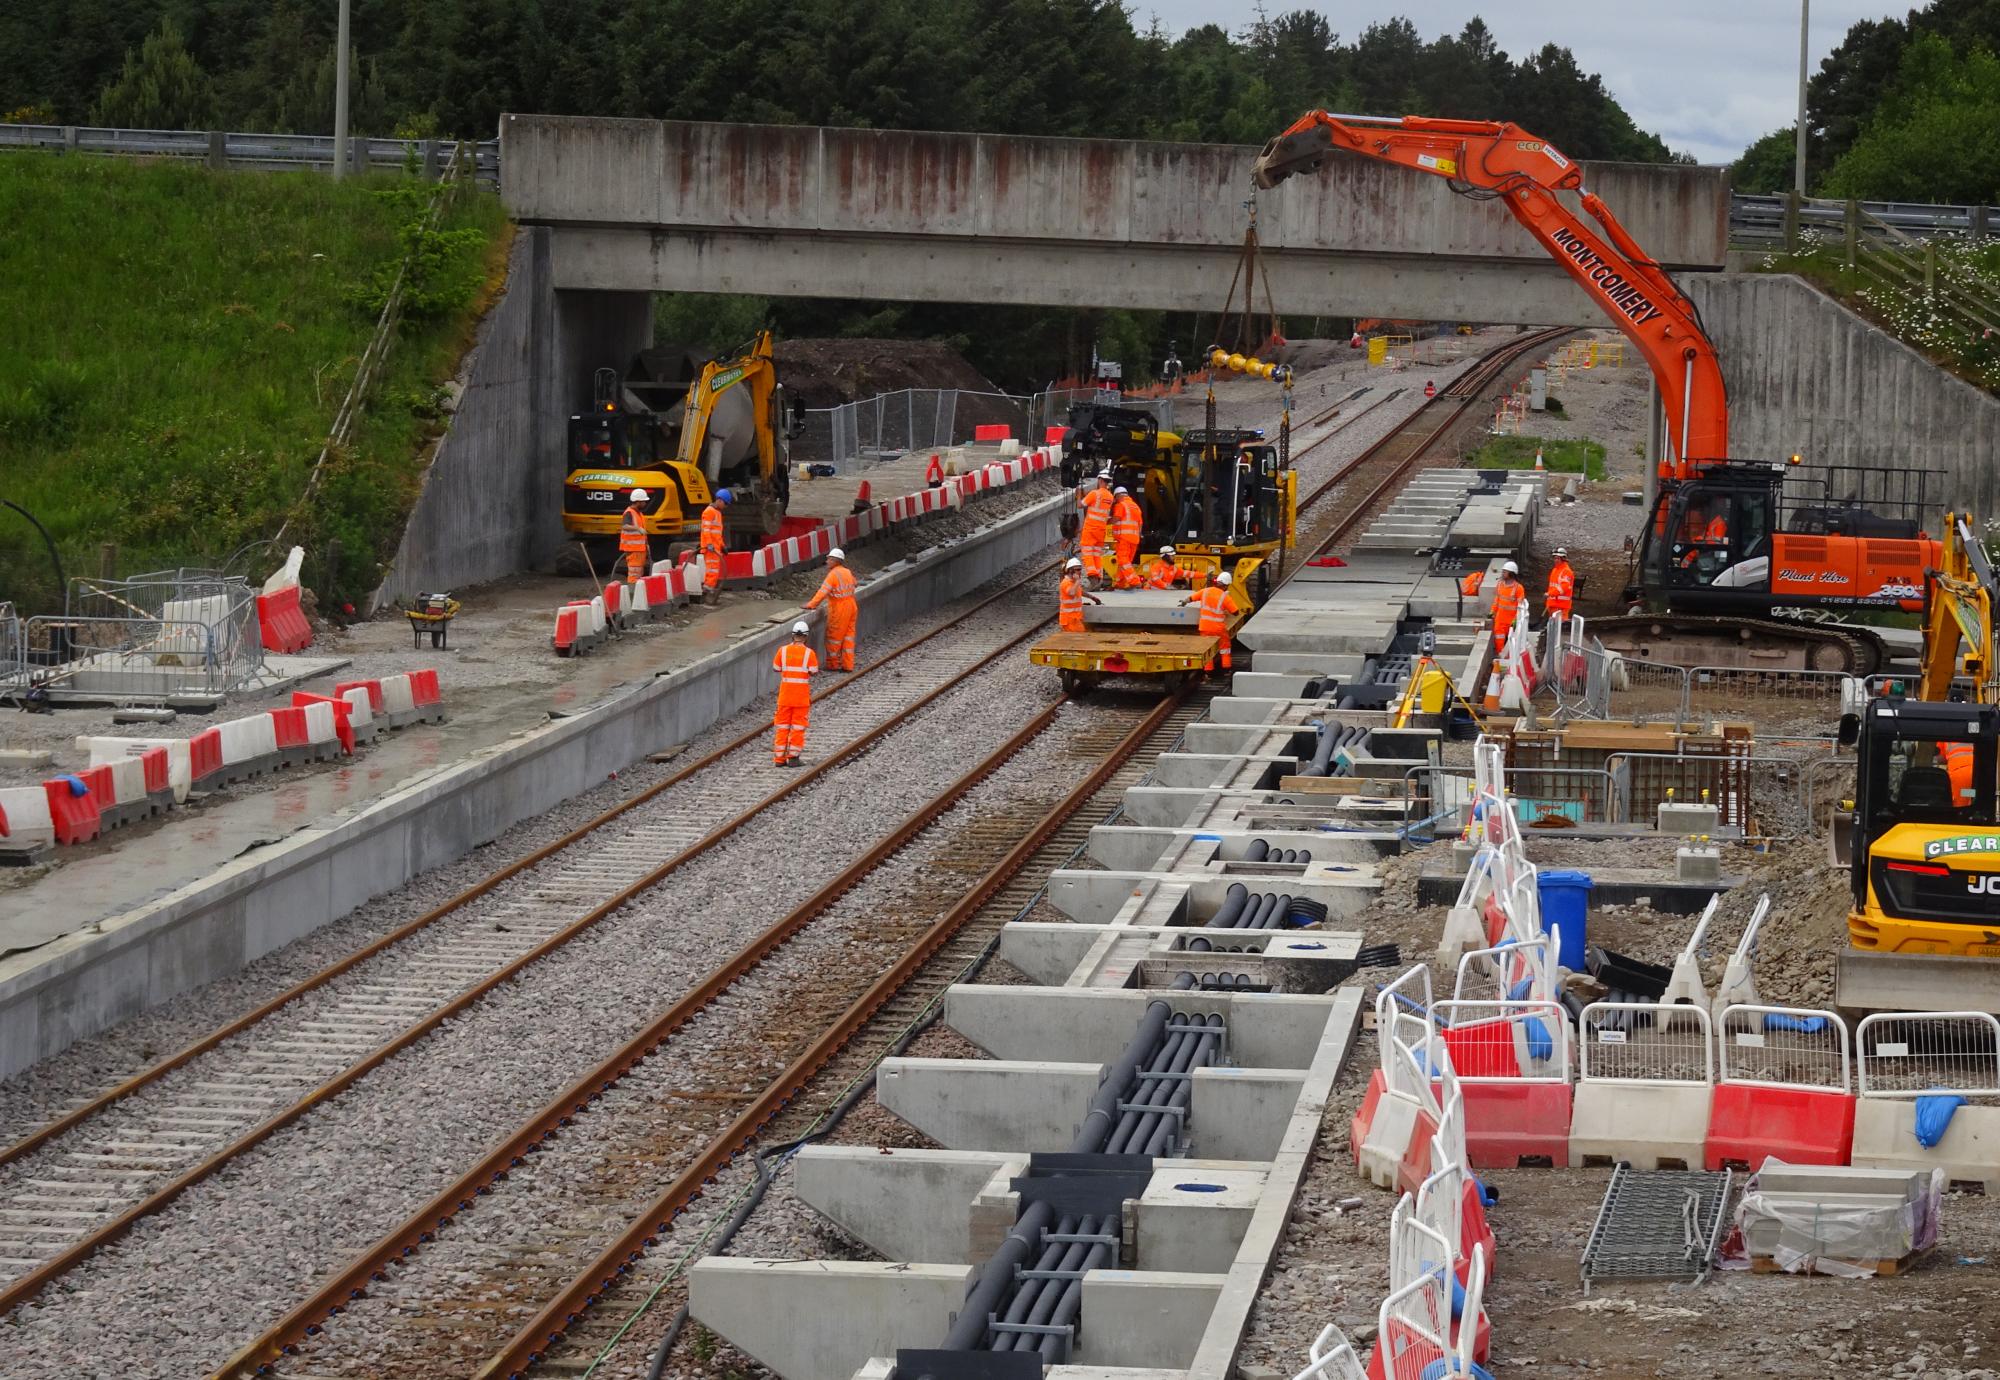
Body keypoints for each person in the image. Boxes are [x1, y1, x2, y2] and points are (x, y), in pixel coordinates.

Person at [771, 620, 820, 766]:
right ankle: (793, 758)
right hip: (800, 698)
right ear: (806, 636)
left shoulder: (782, 650)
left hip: (785, 696)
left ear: (793, 635)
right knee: (798, 728)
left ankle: (779, 759)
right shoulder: (809, 653)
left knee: (782, 726)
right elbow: (814, 671)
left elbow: (776, 667)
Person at [807, 547, 859, 671]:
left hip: (839, 608)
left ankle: (833, 665)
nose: (827, 562)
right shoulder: (847, 571)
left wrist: (811, 605)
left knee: (833, 638)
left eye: (829, 559)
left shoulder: (833, 575)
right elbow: (855, 583)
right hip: (851, 605)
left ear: (835, 561)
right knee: (848, 637)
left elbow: (822, 593)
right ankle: (848, 665)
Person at [1182, 570, 1239, 673]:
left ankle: (1208, 672)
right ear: (1226, 586)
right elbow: (1235, 612)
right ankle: (1226, 669)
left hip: (1204, 627)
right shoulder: (1225, 597)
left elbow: (1191, 598)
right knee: (1225, 647)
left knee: (1207, 649)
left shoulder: (1205, 591)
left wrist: (1184, 602)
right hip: (1218, 629)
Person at [1078, 472, 1116, 587]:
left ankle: (1092, 576)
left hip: (1090, 528)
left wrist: (1079, 495)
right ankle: (1099, 577)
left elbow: (1080, 505)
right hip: (1101, 530)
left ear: (1100, 480)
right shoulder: (1110, 496)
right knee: (1097, 554)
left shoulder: (1094, 494)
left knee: (1087, 552)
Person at [700, 488, 732, 605]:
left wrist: (723, 546)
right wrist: (709, 544)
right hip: (710, 548)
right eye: (725, 503)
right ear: (719, 500)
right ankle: (707, 594)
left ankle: (708, 592)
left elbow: (717, 533)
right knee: (712, 571)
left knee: (714, 570)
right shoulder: (709, 512)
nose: (726, 506)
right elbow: (706, 530)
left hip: (715, 548)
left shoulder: (717, 513)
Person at [1110, 485, 1144, 588]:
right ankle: (1119, 583)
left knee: (1123, 560)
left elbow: (1116, 519)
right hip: (1134, 539)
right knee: (1125, 563)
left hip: (1124, 538)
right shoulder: (1135, 506)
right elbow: (1140, 524)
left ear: (1118, 496)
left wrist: (1104, 521)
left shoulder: (1121, 505)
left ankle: (1135, 581)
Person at [1059, 557, 1102, 632]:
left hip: (1074, 618)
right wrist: (1078, 581)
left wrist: (1092, 597)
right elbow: (1071, 593)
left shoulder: (1073, 582)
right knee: (1080, 638)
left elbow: (1079, 591)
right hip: (1070, 620)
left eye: (1080, 569)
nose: (1080, 572)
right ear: (1071, 570)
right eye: (1078, 569)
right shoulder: (1066, 583)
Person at [1490, 560, 1526, 648]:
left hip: (1511, 621)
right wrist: (1492, 611)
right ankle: (1500, 656)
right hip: (1500, 620)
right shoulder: (1499, 585)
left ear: (1511, 573)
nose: (1502, 574)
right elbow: (1496, 600)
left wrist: (1516, 619)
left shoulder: (1519, 588)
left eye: (1505, 572)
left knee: (1512, 643)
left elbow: (1520, 606)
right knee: (1499, 640)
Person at [619, 489, 651, 584]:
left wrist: (646, 544)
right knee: (634, 573)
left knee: (638, 572)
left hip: (639, 548)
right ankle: (632, 591)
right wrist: (637, 528)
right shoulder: (629, 512)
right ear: (638, 502)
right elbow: (625, 526)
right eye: (643, 501)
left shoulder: (638, 513)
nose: (645, 503)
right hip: (633, 549)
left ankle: (637, 591)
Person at [1939, 739, 1975, 809]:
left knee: (1960, 806)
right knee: (1972, 796)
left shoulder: (1945, 731)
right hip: (1977, 769)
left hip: (1959, 772)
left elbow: (1940, 758)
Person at [1544, 546, 1575, 623]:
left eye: (1558, 558)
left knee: (1560, 629)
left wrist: (1550, 594)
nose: (1556, 560)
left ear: (1563, 558)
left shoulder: (1566, 571)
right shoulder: (1555, 570)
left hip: (1561, 607)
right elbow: (1552, 586)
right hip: (1553, 605)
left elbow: (1564, 587)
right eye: (1555, 558)